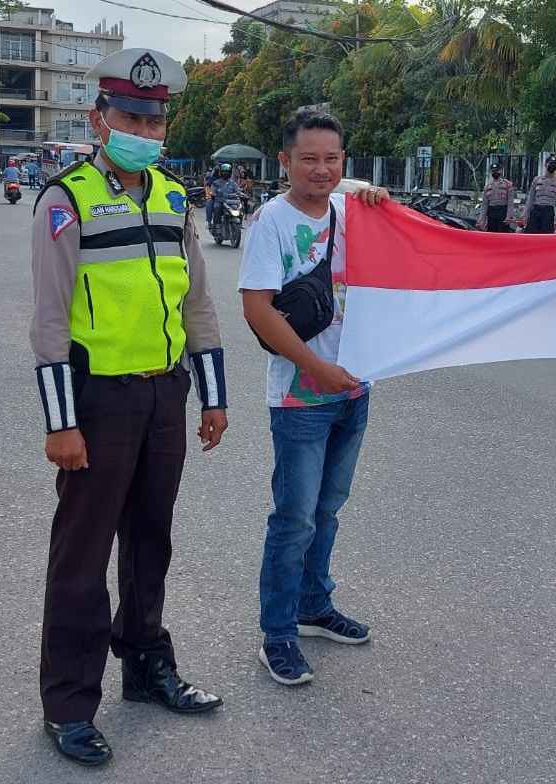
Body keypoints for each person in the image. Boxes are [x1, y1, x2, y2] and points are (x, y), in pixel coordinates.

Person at [29, 47, 229, 767]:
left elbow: (196, 302)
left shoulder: (174, 198)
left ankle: (146, 666)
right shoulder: (67, 200)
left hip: (163, 395)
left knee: (150, 540)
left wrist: (213, 396)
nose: (145, 130)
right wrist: (61, 422)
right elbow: (50, 321)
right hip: (99, 402)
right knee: (81, 557)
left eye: (155, 120)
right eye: (131, 118)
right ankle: (68, 704)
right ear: (100, 119)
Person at [240, 109, 389, 687]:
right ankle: (277, 633)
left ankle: (313, 605)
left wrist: (374, 195)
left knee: (327, 510)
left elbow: (410, 243)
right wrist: (316, 368)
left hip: (355, 388)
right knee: (294, 517)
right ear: (285, 162)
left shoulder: (353, 212)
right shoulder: (270, 222)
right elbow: (257, 310)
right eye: (308, 159)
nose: (321, 169)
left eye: (332, 159)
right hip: (300, 398)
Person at [524, 155, 556, 233]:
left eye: (554, 164)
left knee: (546, 236)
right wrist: (525, 215)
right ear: (545, 165)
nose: (552, 166)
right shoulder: (537, 180)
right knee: (531, 235)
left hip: (548, 212)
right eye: (551, 163)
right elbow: (530, 199)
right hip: (536, 210)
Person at [477, 163, 515, 232]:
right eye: (493, 171)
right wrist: (481, 220)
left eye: (497, 170)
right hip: (491, 212)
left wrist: (509, 216)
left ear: (500, 171)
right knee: (491, 233)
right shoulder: (487, 186)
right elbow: (484, 205)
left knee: (503, 233)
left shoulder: (507, 184)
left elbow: (510, 202)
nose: (495, 172)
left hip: (503, 212)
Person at [210, 162, 241, 230]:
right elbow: (212, 190)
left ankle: (239, 224)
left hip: (231, 202)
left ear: (230, 173)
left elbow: (238, 190)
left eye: (227, 172)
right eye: (224, 172)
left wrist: (242, 194)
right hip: (220, 201)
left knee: (240, 208)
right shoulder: (216, 182)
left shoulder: (233, 183)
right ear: (221, 172)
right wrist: (213, 193)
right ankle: (217, 225)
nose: (225, 173)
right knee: (217, 207)